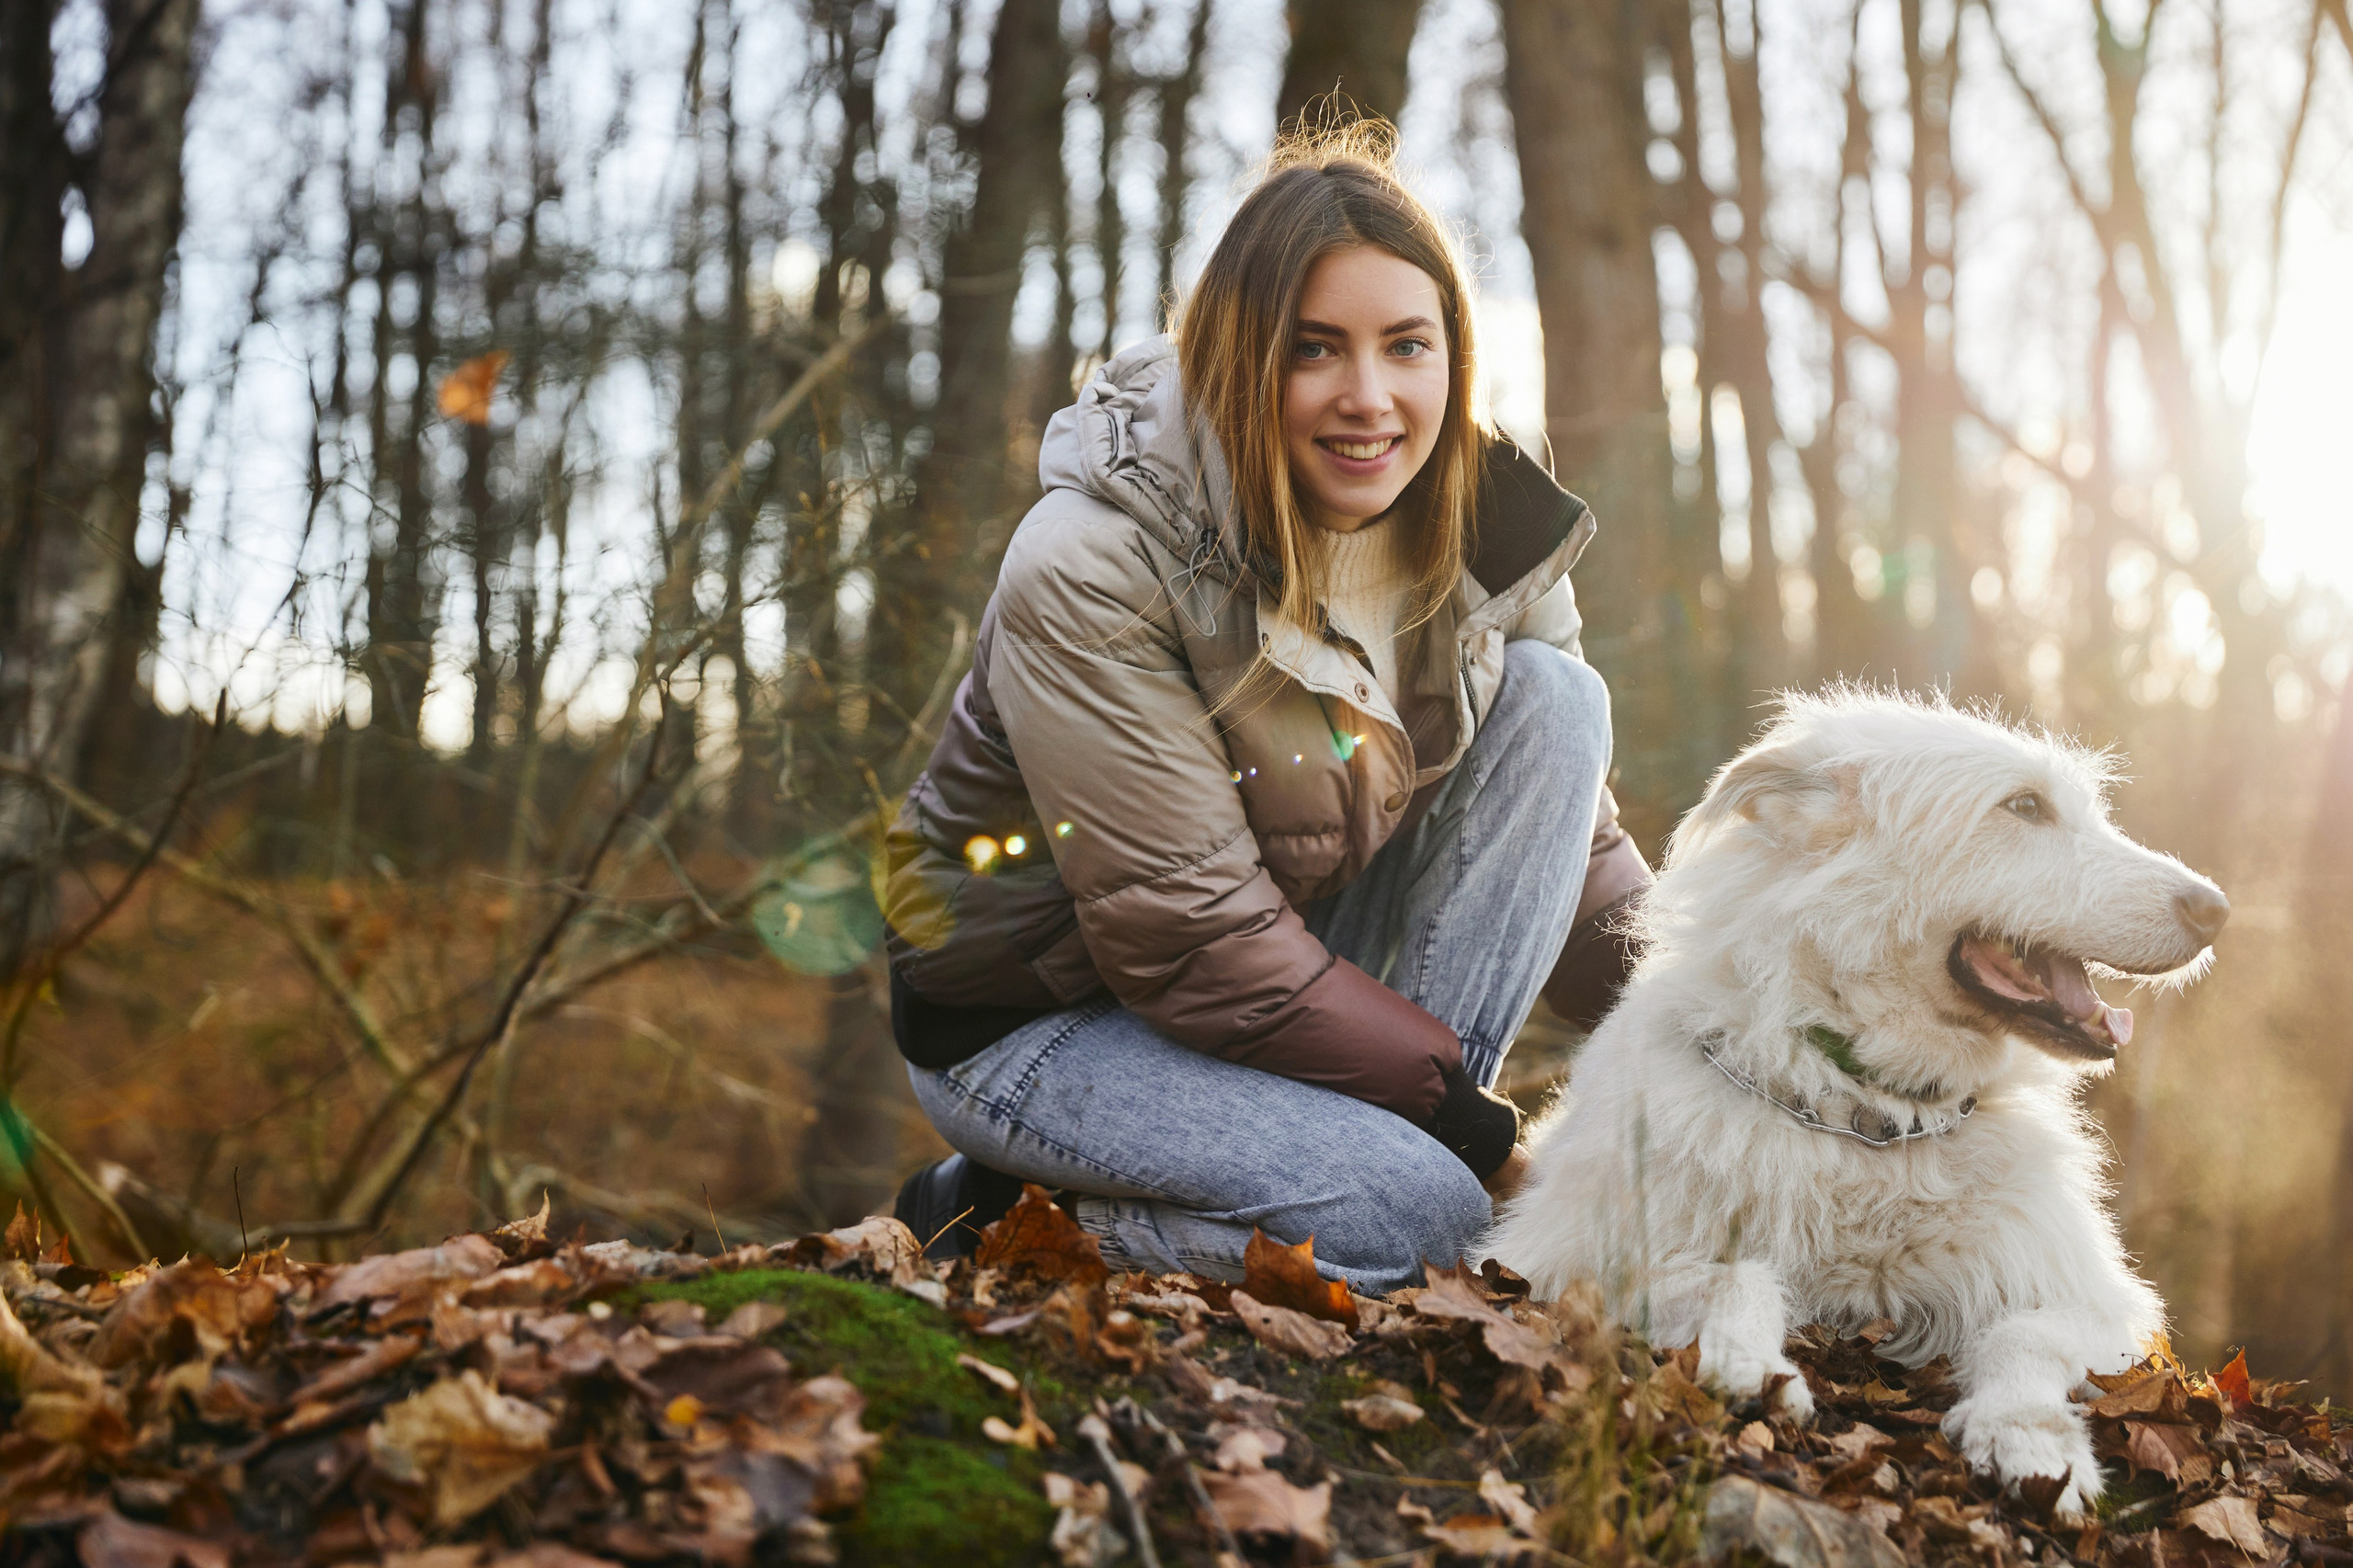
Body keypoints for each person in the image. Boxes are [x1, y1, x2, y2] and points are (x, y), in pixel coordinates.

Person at [881, 122, 1649, 1294]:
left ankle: (1402, 1145)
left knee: (1556, 700)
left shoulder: (1481, 522)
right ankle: (988, 1211)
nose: (1369, 398)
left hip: (1281, 967)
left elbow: (1572, 847)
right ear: (1245, 357)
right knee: (1422, 1215)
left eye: (1407, 346)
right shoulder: (1093, 562)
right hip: (1040, 1021)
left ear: (1454, 356)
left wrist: (1733, 1039)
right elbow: (1196, 944)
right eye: (1315, 350)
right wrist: (1485, 1139)